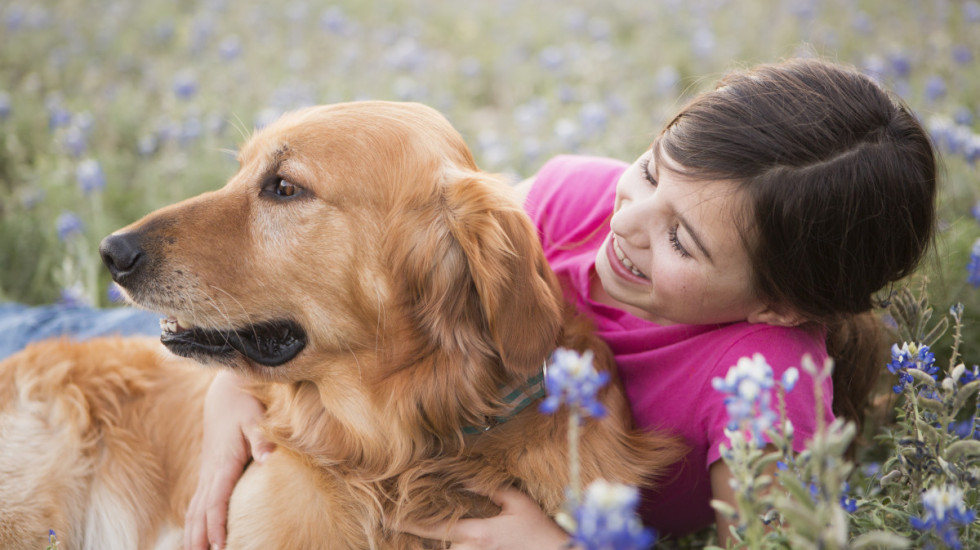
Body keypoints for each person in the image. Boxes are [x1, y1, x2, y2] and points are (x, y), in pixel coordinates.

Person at [183, 58, 937, 550]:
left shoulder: (768, 381)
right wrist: (233, 374)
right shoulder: (578, 195)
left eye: (682, 240)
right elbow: (398, 272)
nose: (630, 225)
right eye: (650, 172)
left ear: (775, 305)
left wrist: (555, 547)